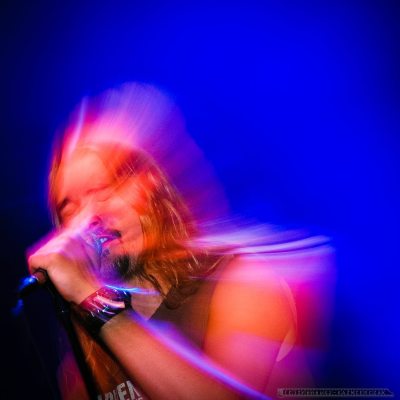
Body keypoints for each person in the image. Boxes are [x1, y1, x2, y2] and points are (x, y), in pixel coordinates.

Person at [27, 85, 319, 400]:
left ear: (152, 188)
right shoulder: (83, 359)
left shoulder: (244, 282)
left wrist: (95, 301)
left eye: (102, 189)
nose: (89, 217)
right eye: (69, 206)